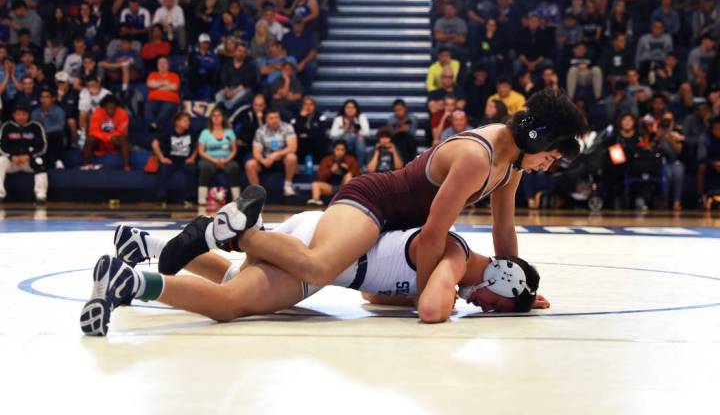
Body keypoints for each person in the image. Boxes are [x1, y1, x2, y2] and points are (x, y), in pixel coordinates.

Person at [164, 89, 586, 299]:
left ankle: (188, 240)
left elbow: (504, 228)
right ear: (535, 135)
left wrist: (518, 287)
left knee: (259, 278)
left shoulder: (511, 164)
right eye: (549, 157)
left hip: (396, 222)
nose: (546, 166)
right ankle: (239, 233)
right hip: (374, 202)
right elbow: (435, 233)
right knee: (317, 268)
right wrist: (425, 296)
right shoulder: (480, 155)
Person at [81, 211, 547, 335]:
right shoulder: (454, 256)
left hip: (316, 239)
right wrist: (450, 289)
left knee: (232, 282)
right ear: (501, 278)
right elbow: (430, 311)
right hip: (320, 256)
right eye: (495, 304)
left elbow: (374, 299)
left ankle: (144, 245)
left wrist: (517, 304)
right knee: (230, 306)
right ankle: (132, 283)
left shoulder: (456, 265)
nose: (484, 308)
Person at [0, 101, 47, 202]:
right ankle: (0, 194)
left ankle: (41, 194)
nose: (21, 117)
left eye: (23, 114)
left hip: (29, 161)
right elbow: (1, 146)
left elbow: (42, 146)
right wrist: (11, 156)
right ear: (13, 115)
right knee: (0, 161)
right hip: (12, 161)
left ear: (28, 115)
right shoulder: (7, 127)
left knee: (40, 161)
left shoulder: (36, 127)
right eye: (18, 114)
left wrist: (28, 156)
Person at [245, 108, 298, 197]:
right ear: (266, 119)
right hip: (266, 160)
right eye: (271, 118)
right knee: (250, 164)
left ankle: (287, 186)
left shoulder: (287, 127)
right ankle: (257, 193)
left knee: (292, 157)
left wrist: (277, 154)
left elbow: (293, 147)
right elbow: (256, 152)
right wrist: (263, 160)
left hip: (282, 160)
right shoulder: (261, 131)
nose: (274, 120)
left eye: (276, 117)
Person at [197, 107, 241, 205]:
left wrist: (226, 160)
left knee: (234, 167)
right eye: (214, 116)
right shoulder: (205, 133)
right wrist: (214, 160)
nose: (216, 118)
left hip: (226, 159)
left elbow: (234, 150)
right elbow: (201, 151)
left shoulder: (229, 132)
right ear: (211, 118)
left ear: (222, 118)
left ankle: (237, 198)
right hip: (209, 159)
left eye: (219, 115)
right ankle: (202, 198)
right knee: (205, 167)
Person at [152, 112, 197, 205]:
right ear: (177, 122)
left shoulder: (191, 132)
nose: (188, 123)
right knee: (163, 169)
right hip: (171, 161)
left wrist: (192, 157)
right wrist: (162, 158)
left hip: (185, 161)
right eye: (185, 121)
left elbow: (199, 145)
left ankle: (190, 199)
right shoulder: (169, 132)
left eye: (188, 121)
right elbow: (154, 143)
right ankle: (162, 199)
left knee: (193, 170)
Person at [81, 95, 130, 171]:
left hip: (114, 142)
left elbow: (122, 131)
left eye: (113, 108)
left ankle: (127, 166)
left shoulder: (123, 113)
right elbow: (93, 131)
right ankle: (86, 165)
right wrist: (108, 137)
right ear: (103, 107)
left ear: (116, 107)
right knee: (89, 139)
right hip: (101, 142)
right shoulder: (97, 112)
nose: (111, 111)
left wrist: (111, 137)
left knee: (123, 138)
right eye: (108, 108)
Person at [307, 140, 360, 206]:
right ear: (333, 150)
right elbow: (320, 177)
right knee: (315, 184)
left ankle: (346, 201)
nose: (340, 152)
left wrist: (347, 170)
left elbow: (358, 177)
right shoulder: (326, 160)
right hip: (330, 187)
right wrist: (331, 171)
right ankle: (315, 201)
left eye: (342, 150)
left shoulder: (351, 159)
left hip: (344, 187)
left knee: (348, 176)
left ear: (345, 151)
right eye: (337, 149)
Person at [329, 99, 370, 167]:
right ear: (344, 109)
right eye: (348, 107)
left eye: (352, 107)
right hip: (342, 141)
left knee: (360, 139)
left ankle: (360, 167)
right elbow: (332, 134)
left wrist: (356, 131)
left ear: (356, 109)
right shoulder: (339, 119)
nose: (350, 109)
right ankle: (337, 165)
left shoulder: (361, 117)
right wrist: (344, 129)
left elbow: (367, 133)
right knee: (336, 141)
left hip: (356, 142)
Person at [31, 87, 65, 168]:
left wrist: (45, 131)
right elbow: (34, 126)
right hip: (40, 136)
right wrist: (42, 133)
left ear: (53, 99)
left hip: (54, 136)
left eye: (47, 97)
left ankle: (58, 160)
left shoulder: (59, 111)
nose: (44, 99)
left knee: (56, 135)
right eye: (42, 97)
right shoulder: (35, 112)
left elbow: (60, 126)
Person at [145, 57, 180, 133]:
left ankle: (155, 125)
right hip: (153, 100)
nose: (162, 65)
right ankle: (153, 125)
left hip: (170, 100)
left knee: (166, 109)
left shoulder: (174, 75)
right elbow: (150, 84)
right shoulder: (153, 74)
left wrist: (157, 86)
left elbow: (174, 87)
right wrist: (165, 83)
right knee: (148, 106)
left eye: (164, 63)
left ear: (168, 65)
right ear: (157, 65)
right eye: (160, 63)